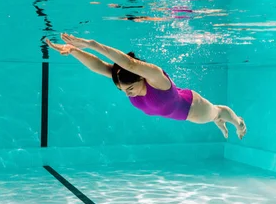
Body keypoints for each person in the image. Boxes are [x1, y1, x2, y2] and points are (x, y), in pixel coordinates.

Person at [45, 33, 247, 139]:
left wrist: (91, 44)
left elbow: (130, 64)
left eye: (130, 89)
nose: (127, 94)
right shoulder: (125, 81)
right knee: (216, 117)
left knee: (217, 113)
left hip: (193, 108)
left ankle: (238, 123)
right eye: (123, 91)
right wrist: (73, 51)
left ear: (140, 78)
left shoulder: (156, 77)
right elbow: (99, 67)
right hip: (178, 106)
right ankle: (222, 121)